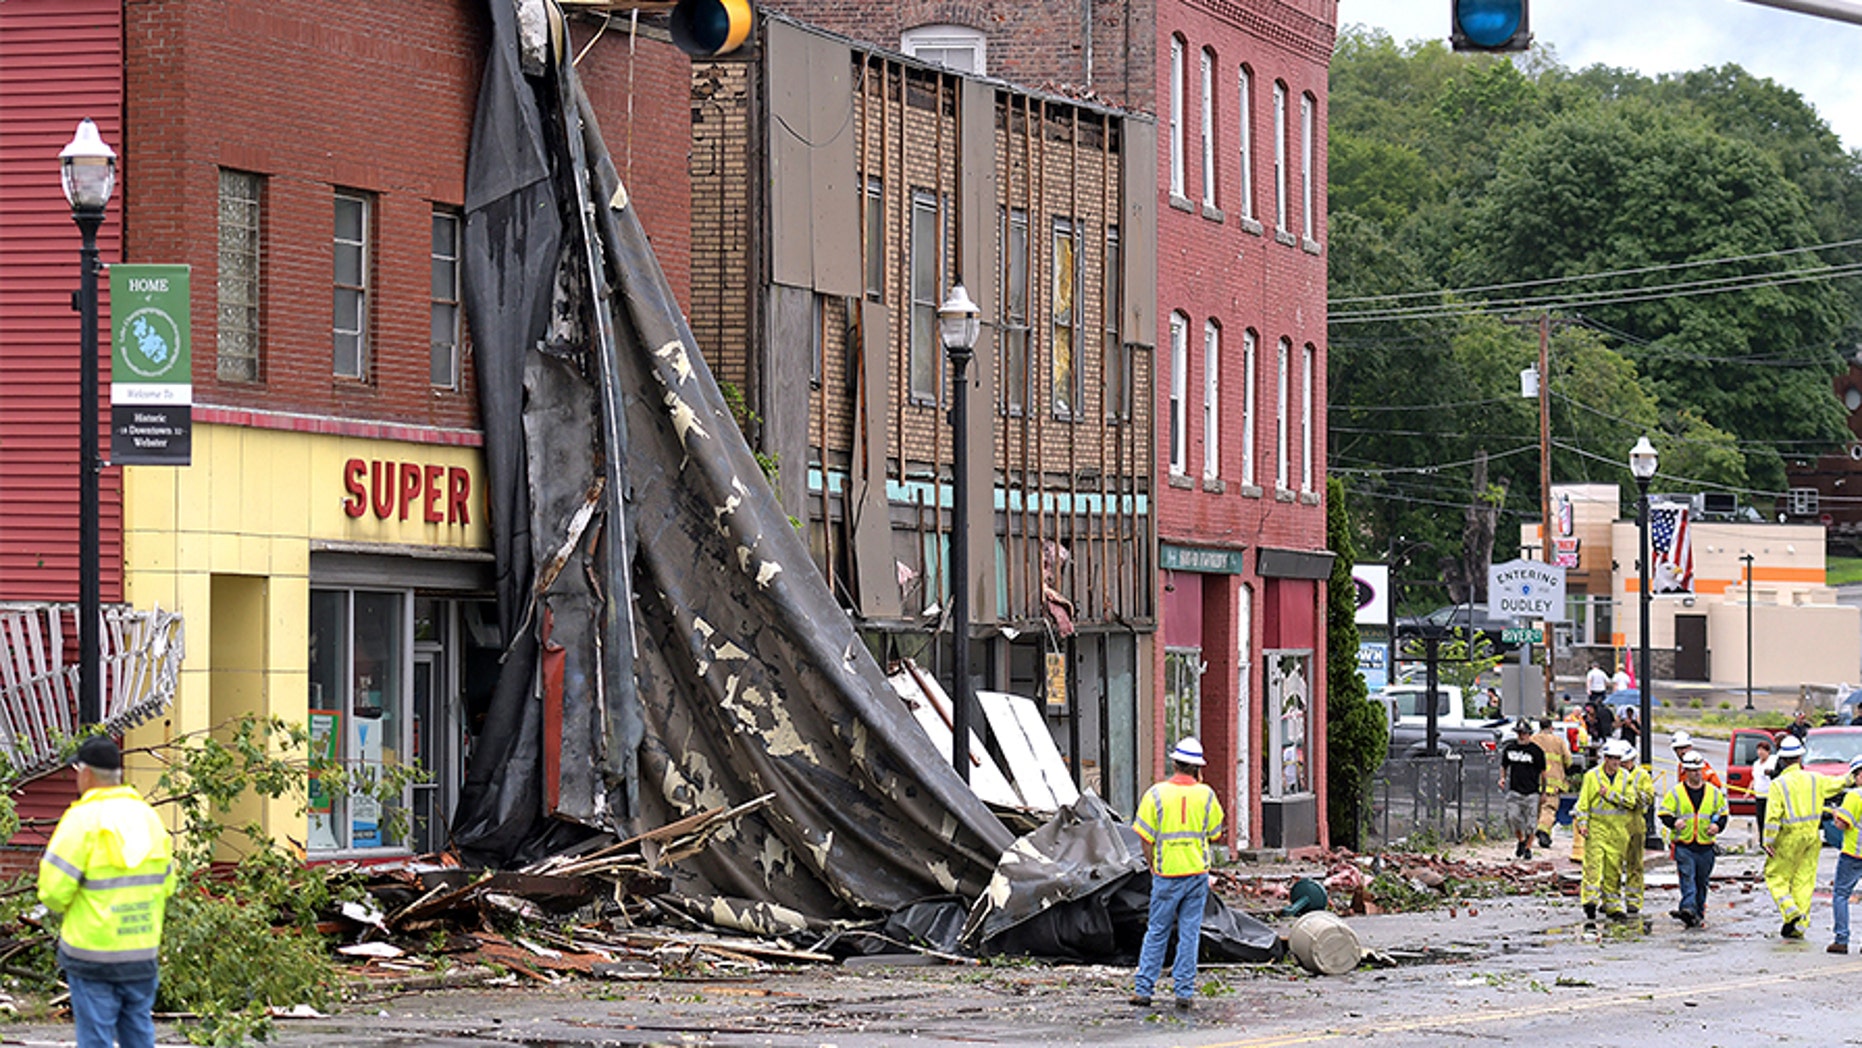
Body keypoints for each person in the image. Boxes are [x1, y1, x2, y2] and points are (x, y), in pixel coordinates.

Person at [38, 736, 176, 1048]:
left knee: (96, 1039)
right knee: (139, 1034)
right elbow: (167, 885)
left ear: (85, 773)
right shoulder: (149, 819)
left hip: (93, 956)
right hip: (142, 953)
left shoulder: (81, 821)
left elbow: (52, 892)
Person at [1131, 737, 1223, 1009]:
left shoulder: (1156, 794)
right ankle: (1184, 992)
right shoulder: (1207, 795)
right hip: (1196, 873)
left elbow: (1145, 838)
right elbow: (1215, 834)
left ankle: (1144, 990)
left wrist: (1153, 865)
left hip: (1166, 874)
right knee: (1189, 933)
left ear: (1173, 763)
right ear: (1198, 767)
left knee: (1157, 931)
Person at [1761, 735, 1845, 938]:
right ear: (1800, 757)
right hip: (1812, 836)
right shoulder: (1815, 779)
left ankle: (1791, 912)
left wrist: (1768, 840)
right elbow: (1839, 783)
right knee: (1804, 880)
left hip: (1789, 838)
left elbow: (1773, 816)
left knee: (1775, 877)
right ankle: (1800, 925)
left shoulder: (1778, 785)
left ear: (1782, 759)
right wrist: (1854, 773)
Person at [1659, 750, 1729, 928]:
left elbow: (1723, 814)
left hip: (1705, 845)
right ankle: (1687, 908)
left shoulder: (1713, 793)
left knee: (1701, 881)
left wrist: (1717, 826)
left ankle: (1697, 913)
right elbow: (1664, 812)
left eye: (1699, 770)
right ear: (1686, 772)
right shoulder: (1676, 792)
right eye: (1692, 770)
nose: (1697, 773)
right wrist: (1674, 822)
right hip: (1685, 844)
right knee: (1687, 877)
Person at [1575, 739, 1639, 921]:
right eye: (1612, 759)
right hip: (1597, 828)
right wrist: (1582, 824)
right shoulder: (1592, 777)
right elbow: (1583, 804)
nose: (1616, 763)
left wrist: (1610, 795)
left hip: (1618, 830)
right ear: (1605, 758)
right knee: (1593, 866)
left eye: (1618, 759)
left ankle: (1612, 906)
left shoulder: (1626, 777)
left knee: (1614, 869)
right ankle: (1590, 902)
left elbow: (1631, 801)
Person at [1824, 755, 1862, 953]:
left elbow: (1842, 824)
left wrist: (1837, 814)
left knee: (1840, 894)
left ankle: (1841, 939)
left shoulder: (1855, 796)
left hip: (1853, 854)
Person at [1499, 720, 1546, 859]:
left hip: (1532, 792)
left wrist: (1543, 792)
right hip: (1515, 790)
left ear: (1529, 734)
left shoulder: (1536, 751)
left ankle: (1528, 848)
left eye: (1524, 733)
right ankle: (1521, 840)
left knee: (1531, 823)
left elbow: (1543, 773)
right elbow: (1504, 766)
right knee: (1513, 818)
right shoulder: (1510, 749)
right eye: (1519, 733)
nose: (1521, 736)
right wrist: (1502, 778)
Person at [1620, 744, 1657, 916]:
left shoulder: (1641, 775)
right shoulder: (1610, 774)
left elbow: (1648, 798)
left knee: (1634, 864)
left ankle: (1633, 900)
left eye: (1624, 761)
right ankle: (1610, 900)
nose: (1621, 764)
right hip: (1614, 823)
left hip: (1634, 822)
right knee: (1612, 865)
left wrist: (1629, 797)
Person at [1531, 717, 1573, 850]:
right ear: (1551, 727)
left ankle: (1539, 833)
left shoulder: (1533, 739)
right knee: (1549, 808)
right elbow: (1568, 760)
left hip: (1534, 780)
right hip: (1552, 782)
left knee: (1537, 809)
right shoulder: (1558, 741)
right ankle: (1543, 831)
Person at [1750, 738, 1774, 832]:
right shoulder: (1756, 764)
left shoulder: (1772, 761)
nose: (1760, 752)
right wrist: (1748, 791)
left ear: (1768, 751)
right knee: (1760, 819)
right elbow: (1754, 778)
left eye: (1763, 750)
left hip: (1769, 795)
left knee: (1768, 819)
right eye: (1759, 750)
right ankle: (1761, 841)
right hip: (1759, 795)